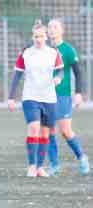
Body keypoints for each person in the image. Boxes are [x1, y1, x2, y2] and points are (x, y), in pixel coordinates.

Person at [8, 20, 64, 178]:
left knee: (45, 134)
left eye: (41, 36)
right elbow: (17, 75)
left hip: (49, 98)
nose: (38, 39)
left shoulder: (53, 53)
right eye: (35, 36)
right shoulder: (26, 53)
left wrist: (58, 79)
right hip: (30, 97)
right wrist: (11, 97)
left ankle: (40, 167)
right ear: (32, 37)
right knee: (33, 128)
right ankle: (32, 166)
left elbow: (60, 71)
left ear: (46, 37)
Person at [47, 18, 90, 176]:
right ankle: (54, 165)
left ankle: (82, 157)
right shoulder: (44, 49)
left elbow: (78, 72)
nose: (52, 30)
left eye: (55, 27)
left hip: (63, 95)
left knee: (65, 131)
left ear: (61, 30)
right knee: (49, 130)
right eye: (50, 27)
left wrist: (78, 93)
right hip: (45, 95)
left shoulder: (68, 49)